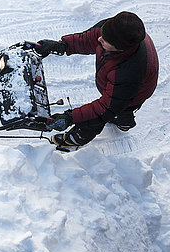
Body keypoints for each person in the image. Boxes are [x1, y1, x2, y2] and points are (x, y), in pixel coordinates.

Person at [34, 11, 159, 151]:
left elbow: (104, 108)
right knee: (117, 110)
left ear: (119, 49)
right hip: (120, 87)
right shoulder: (114, 29)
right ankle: (123, 119)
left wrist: (71, 117)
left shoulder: (128, 72)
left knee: (99, 117)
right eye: (102, 34)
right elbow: (88, 39)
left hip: (134, 93)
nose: (99, 39)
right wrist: (62, 46)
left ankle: (76, 139)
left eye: (104, 41)